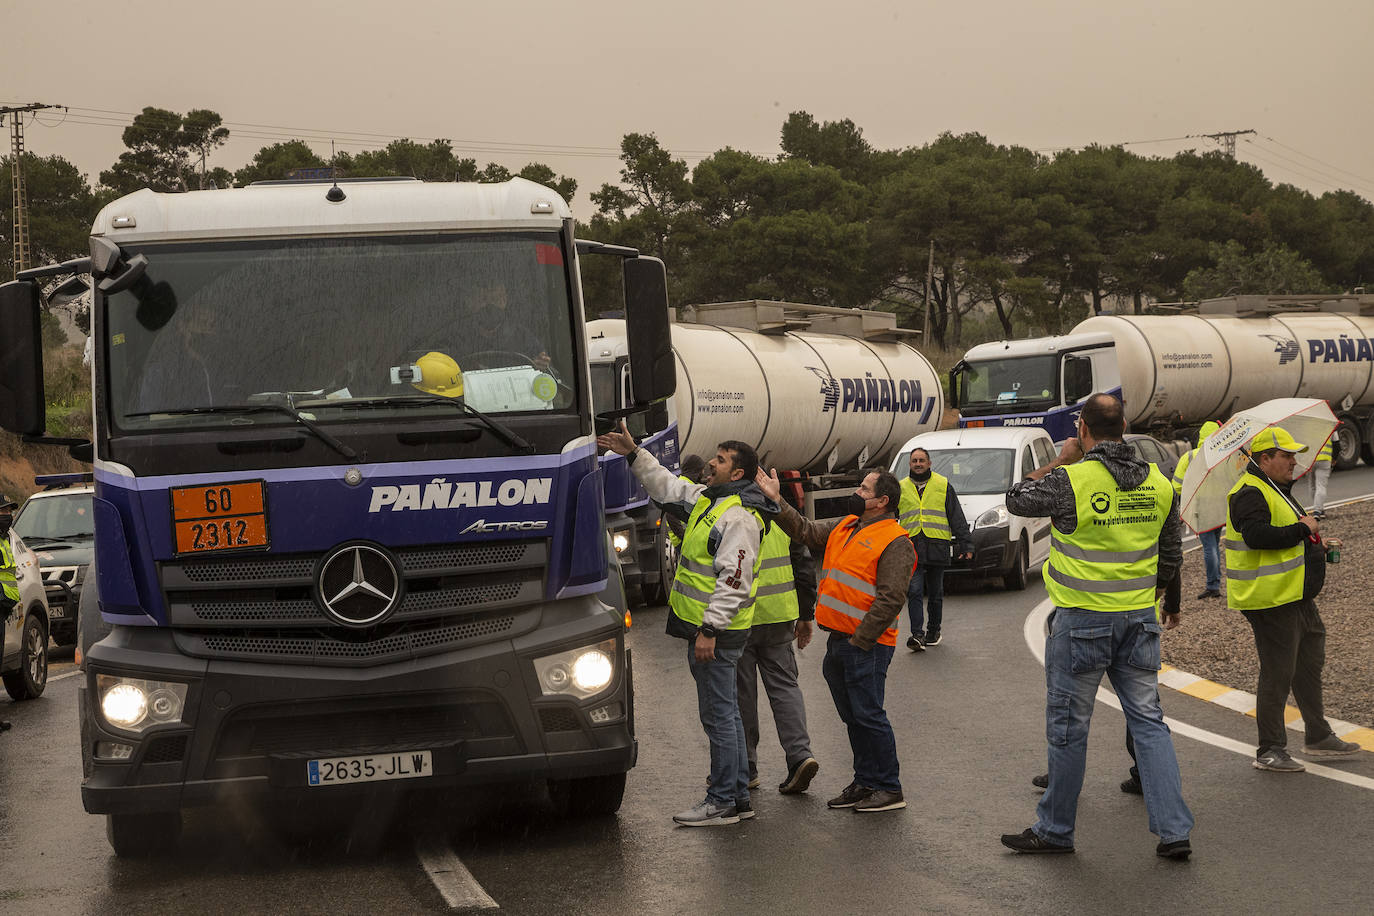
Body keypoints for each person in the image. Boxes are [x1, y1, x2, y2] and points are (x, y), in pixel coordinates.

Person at [999, 393, 1193, 859]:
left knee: (1070, 725)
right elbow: (1170, 554)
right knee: (1149, 722)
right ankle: (1174, 832)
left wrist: (1059, 461)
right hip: (1139, 620)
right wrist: (1148, 596)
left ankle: (1055, 830)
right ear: (1124, 427)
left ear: (1082, 429)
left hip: (1082, 621)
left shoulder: (1071, 479)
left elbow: (1015, 499)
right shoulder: (1160, 482)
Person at [597, 422, 777, 827]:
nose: (711, 463)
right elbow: (668, 487)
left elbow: (734, 580)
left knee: (718, 716)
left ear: (737, 473)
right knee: (727, 714)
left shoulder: (738, 517)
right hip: (711, 631)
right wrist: (633, 453)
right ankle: (737, 798)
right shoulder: (713, 500)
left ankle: (722, 801)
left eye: (721, 460)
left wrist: (709, 630)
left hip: (716, 634)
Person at [755, 465, 914, 813]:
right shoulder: (847, 525)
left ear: (882, 501)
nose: (857, 492)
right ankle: (865, 781)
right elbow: (805, 531)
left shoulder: (896, 541)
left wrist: (860, 641)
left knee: (869, 716)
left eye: (865, 489)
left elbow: (890, 599)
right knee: (854, 717)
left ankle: (889, 787)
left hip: (866, 645)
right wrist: (777, 500)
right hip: (839, 642)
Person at [1225, 426, 1360, 772]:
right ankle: (1270, 750)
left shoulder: (1276, 489)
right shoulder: (1249, 492)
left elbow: (1288, 532)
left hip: (1295, 595)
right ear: (1264, 459)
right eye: (1286, 456)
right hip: (1269, 599)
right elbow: (1257, 536)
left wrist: (1316, 543)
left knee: (1308, 663)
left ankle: (1318, 735)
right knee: (1278, 672)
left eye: (1293, 456)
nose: (1294, 462)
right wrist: (1304, 530)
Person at [736, 482, 820, 796]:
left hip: (739, 618)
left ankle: (746, 769)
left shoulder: (728, 512)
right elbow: (803, 565)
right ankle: (800, 757)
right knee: (785, 688)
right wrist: (806, 614)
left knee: (741, 694)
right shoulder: (781, 512)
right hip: (779, 615)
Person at [897, 448, 973, 650]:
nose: (918, 464)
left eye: (921, 460)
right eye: (914, 460)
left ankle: (933, 631)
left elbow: (956, 516)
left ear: (929, 463)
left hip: (937, 546)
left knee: (935, 593)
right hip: (911, 548)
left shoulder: (943, 485)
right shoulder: (901, 487)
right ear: (910, 464)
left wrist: (966, 544)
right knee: (914, 591)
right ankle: (917, 635)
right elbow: (890, 517)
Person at [1173, 421, 1224, 599]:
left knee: (1209, 547)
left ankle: (1213, 585)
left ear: (1201, 435)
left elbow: (1176, 486)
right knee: (1214, 544)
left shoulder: (1189, 457)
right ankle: (1216, 580)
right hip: (1220, 507)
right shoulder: (1222, 455)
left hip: (1201, 507)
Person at [0, 495, 18, 733]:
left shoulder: (5, 538)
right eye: (2, 512)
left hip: (3, 607)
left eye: (8, 512)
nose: (7, 516)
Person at [1308, 436, 1332, 521]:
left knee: (1312, 486)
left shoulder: (1308, 428)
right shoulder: (1331, 428)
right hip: (1325, 459)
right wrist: (1335, 459)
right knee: (1321, 486)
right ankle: (1317, 511)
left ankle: (1320, 510)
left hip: (1310, 460)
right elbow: (1337, 444)